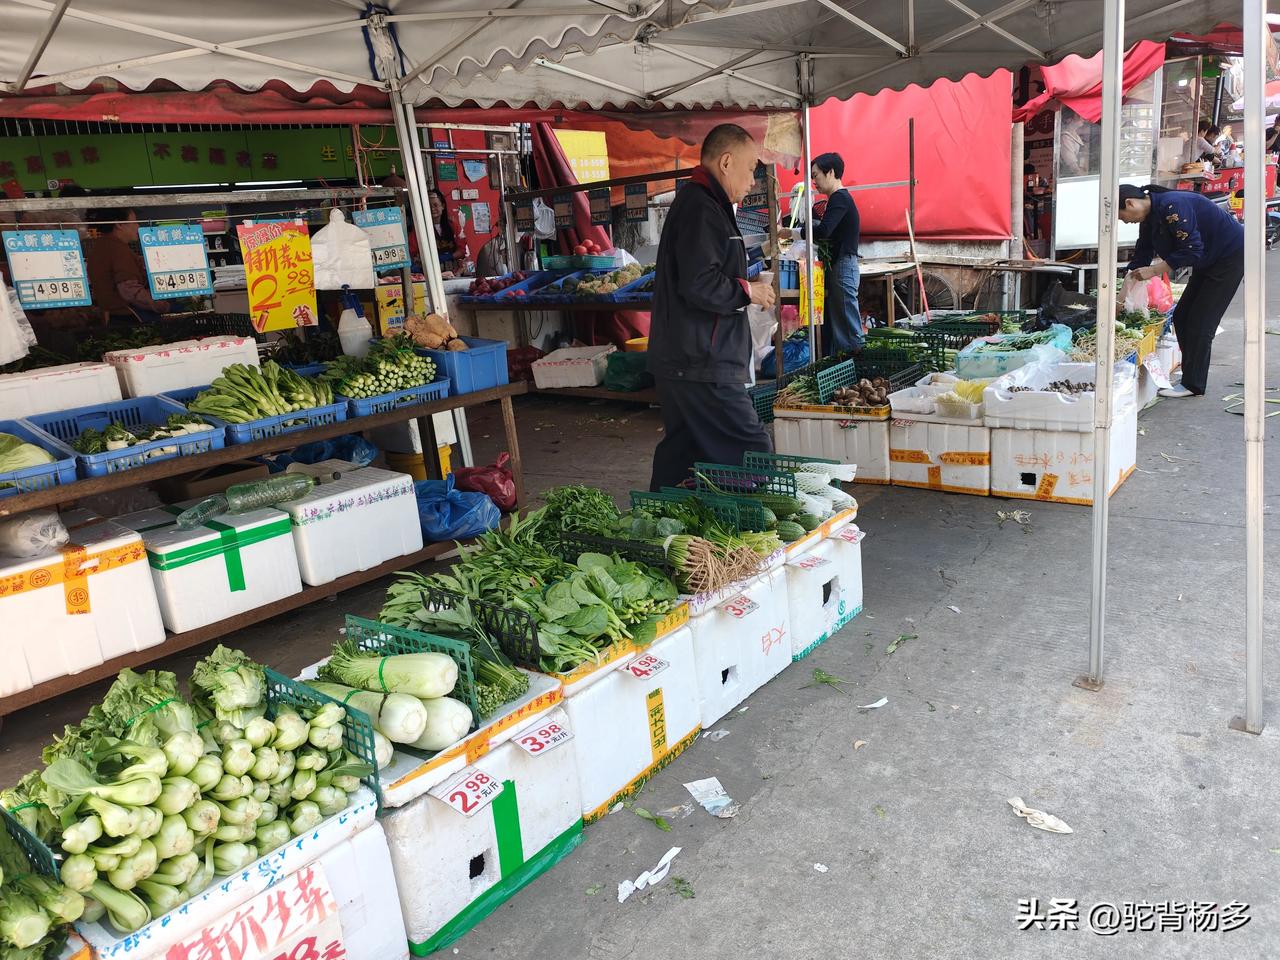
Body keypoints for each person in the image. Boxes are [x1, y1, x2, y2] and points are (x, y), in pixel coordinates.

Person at [646, 123, 777, 492]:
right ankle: (753, 533)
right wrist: (746, 291)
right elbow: (699, 282)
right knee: (751, 449)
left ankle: (657, 528)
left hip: (691, 358)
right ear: (726, 161)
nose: (754, 179)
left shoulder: (708, 205)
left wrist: (749, 278)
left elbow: (711, 265)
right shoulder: (701, 207)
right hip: (700, 361)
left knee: (683, 454)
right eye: (752, 168)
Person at [1118, 183, 1243, 399]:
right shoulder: (1150, 216)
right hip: (1209, 260)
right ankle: (1190, 375)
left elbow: (1192, 250)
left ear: (1130, 203)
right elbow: (1144, 249)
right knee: (1182, 316)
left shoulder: (1172, 206)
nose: (1125, 221)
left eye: (1122, 216)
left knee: (1202, 322)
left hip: (1229, 256)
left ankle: (1193, 384)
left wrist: (1155, 270)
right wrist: (1129, 279)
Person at [796, 152, 862, 356]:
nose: (813, 181)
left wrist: (795, 232)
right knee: (841, 323)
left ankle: (860, 370)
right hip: (840, 266)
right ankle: (850, 372)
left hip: (843, 267)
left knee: (848, 325)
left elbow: (825, 230)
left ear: (830, 172)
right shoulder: (838, 199)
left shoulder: (840, 198)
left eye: (815, 175)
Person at [85, 208, 174, 325]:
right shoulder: (117, 249)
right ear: (119, 224)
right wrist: (162, 306)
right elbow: (130, 290)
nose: (137, 226)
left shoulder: (99, 247)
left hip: (111, 316)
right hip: (127, 318)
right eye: (134, 222)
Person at [428, 188, 459, 276]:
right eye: (429, 206)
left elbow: (462, 250)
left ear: (443, 206)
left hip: (454, 273)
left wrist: (450, 256)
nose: (432, 209)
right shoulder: (419, 231)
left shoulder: (453, 225)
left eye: (435, 205)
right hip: (432, 274)